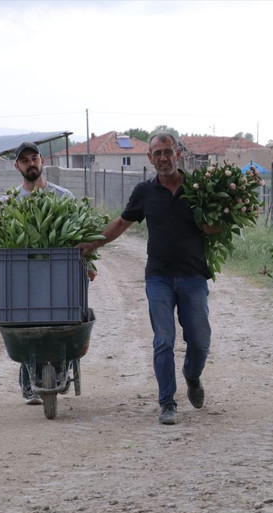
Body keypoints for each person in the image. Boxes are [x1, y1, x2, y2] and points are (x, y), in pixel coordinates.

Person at [77, 132, 219, 425]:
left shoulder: (198, 188)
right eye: (158, 153)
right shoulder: (144, 191)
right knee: (163, 340)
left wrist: (216, 223)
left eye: (168, 151)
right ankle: (167, 402)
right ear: (150, 158)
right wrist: (92, 244)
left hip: (193, 276)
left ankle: (192, 376)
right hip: (159, 279)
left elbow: (213, 227)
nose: (164, 158)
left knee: (200, 341)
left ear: (178, 153)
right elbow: (121, 223)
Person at [0, 141, 76, 405]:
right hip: (23, 276)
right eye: (24, 160)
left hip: (59, 273)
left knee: (63, 320)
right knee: (25, 323)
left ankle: (60, 370)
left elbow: (78, 236)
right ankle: (30, 378)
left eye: (34, 158)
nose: (30, 164)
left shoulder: (63, 197)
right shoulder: (8, 202)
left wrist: (88, 265)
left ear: (42, 161)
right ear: (17, 166)